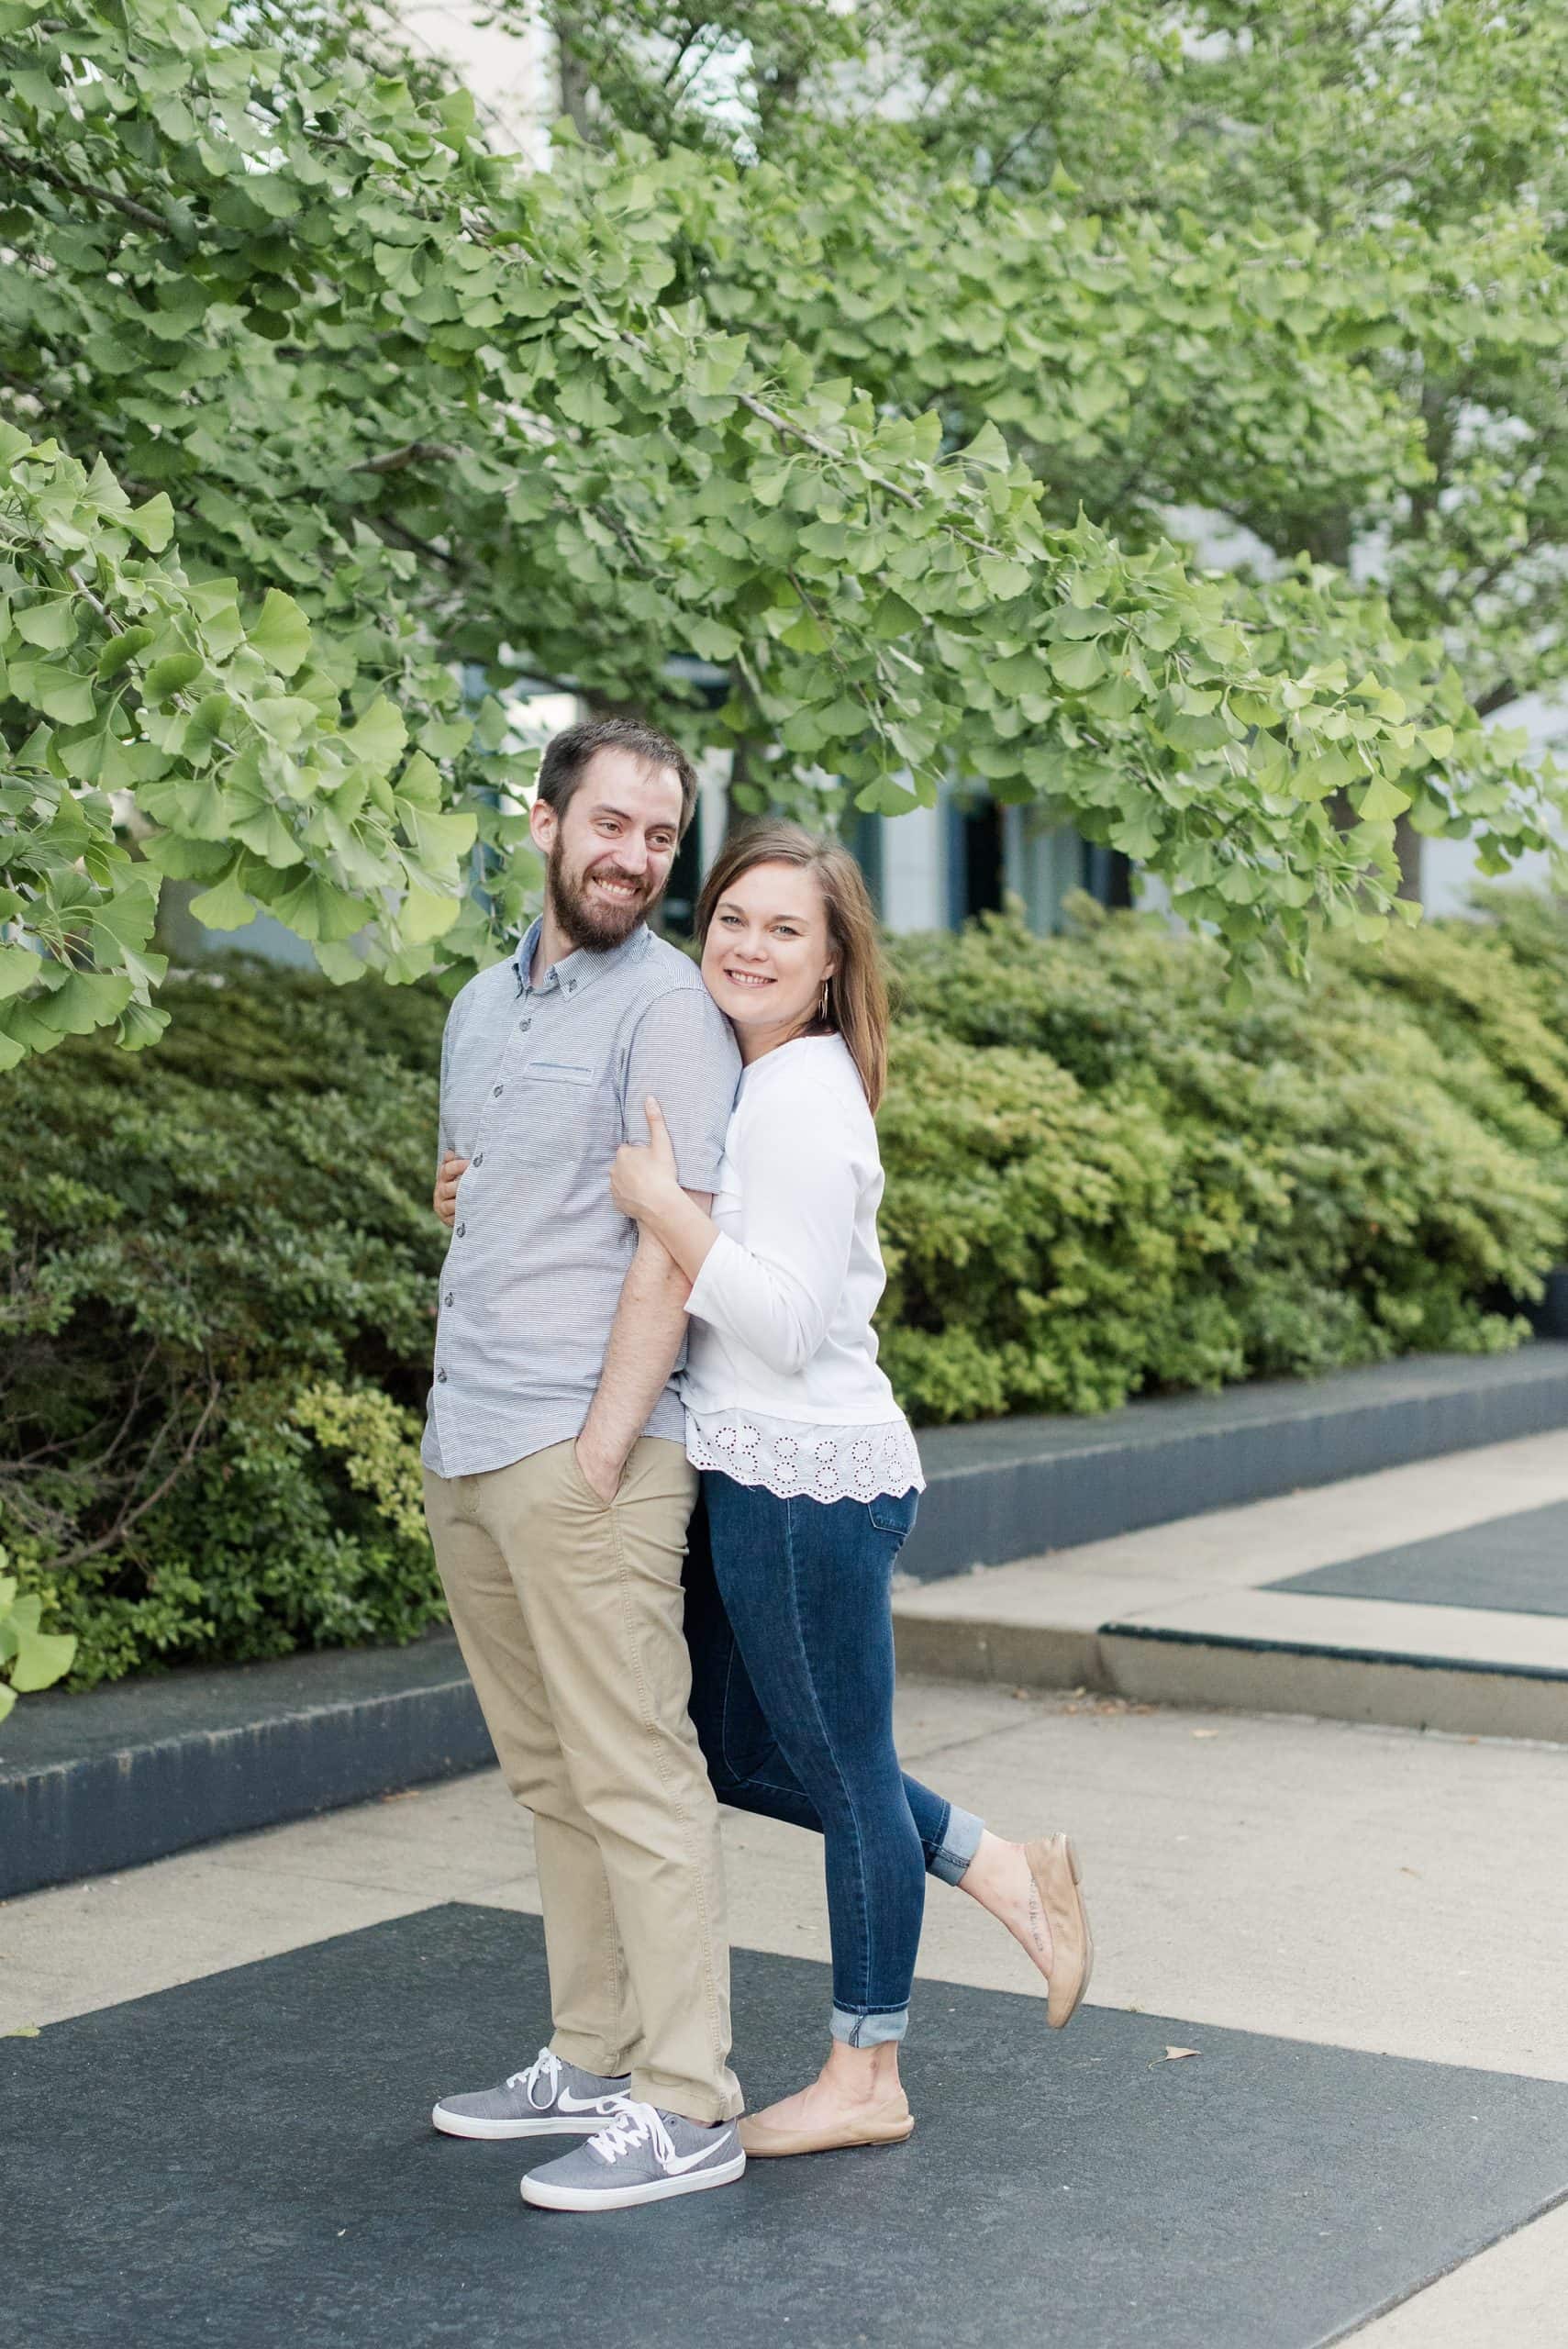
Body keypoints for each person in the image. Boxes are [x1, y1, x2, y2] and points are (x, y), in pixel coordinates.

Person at [609, 821, 1094, 2158]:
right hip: (748, 1470)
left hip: (807, 1481)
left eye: (783, 930)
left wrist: (661, 1204)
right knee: (743, 1749)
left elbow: (777, 1319)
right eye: (732, 918)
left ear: (830, 965)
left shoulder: (807, 1101)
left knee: (840, 1774)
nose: (747, 947)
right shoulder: (754, 1080)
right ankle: (996, 1862)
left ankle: (866, 2075)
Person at [422, 717, 751, 2214]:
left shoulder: (672, 1010)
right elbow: (483, 1194)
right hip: (469, 1440)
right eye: (610, 823)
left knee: (635, 1775)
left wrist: (608, 1445)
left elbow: (666, 1254)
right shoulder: (478, 1009)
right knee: (551, 1778)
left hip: (583, 1447)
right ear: (544, 821)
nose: (634, 857)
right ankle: (590, 2051)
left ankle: (689, 2100)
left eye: (660, 837)